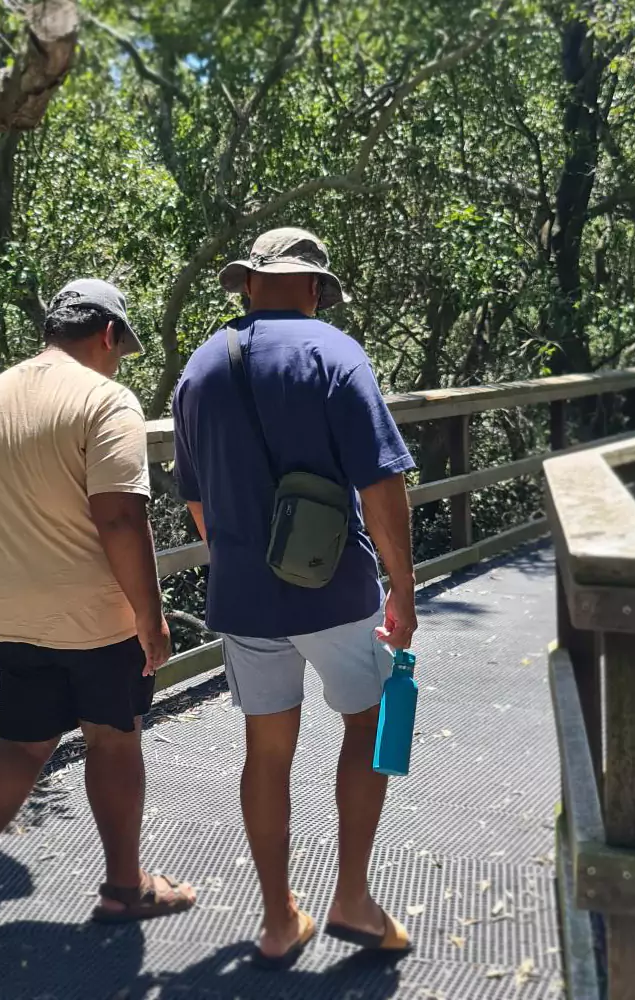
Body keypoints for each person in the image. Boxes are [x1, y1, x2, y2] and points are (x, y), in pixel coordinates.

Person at [171, 229, 419, 969]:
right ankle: (352, 899)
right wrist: (402, 589)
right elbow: (381, 486)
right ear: (315, 289)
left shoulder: (199, 369)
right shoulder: (336, 356)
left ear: (249, 284)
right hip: (336, 589)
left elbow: (197, 503)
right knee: (367, 721)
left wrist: (245, 565)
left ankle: (279, 920)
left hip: (245, 597)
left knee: (267, 749)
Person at [0, 279, 197, 934]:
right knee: (113, 739)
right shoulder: (106, 401)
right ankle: (124, 889)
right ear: (108, 334)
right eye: (120, 350)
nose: (118, 363)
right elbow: (121, 518)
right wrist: (149, 615)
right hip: (95, 615)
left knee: (21, 742)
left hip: (13, 607)